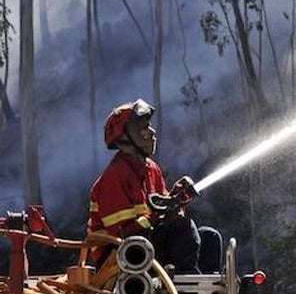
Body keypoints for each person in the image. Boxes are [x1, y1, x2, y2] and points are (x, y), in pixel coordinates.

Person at [88, 99, 222, 274]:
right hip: (122, 259)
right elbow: (123, 235)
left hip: (148, 246)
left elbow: (162, 209)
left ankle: (205, 293)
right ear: (124, 139)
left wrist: (176, 199)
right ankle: (187, 287)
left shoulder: (151, 169)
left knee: (209, 236)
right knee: (182, 227)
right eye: (143, 128)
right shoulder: (114, 178)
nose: (152, 132)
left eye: (149, 126)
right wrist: (164, 214)